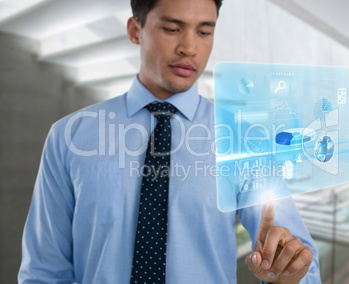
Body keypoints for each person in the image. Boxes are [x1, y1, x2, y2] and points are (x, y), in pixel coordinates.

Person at [18, 0, 321, 283]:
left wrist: (290, 272)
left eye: (204, 31)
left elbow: (300, 258)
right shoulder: (70, 137)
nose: (189, 47)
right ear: (135, 31)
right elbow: (44, 271)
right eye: (172, 29)